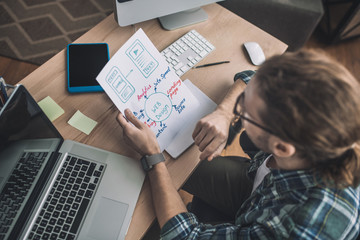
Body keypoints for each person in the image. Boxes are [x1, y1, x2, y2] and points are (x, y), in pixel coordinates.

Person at [116, 49, 360, 239]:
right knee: (177, 166)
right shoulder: (323, 135)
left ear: (282, 148)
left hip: (263, 219)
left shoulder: (297, 227)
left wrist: (153, 156)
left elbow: (185, 235)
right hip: (258, 193)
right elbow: (252, 77)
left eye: (245, 112)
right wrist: (223, 113)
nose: (239, 112)